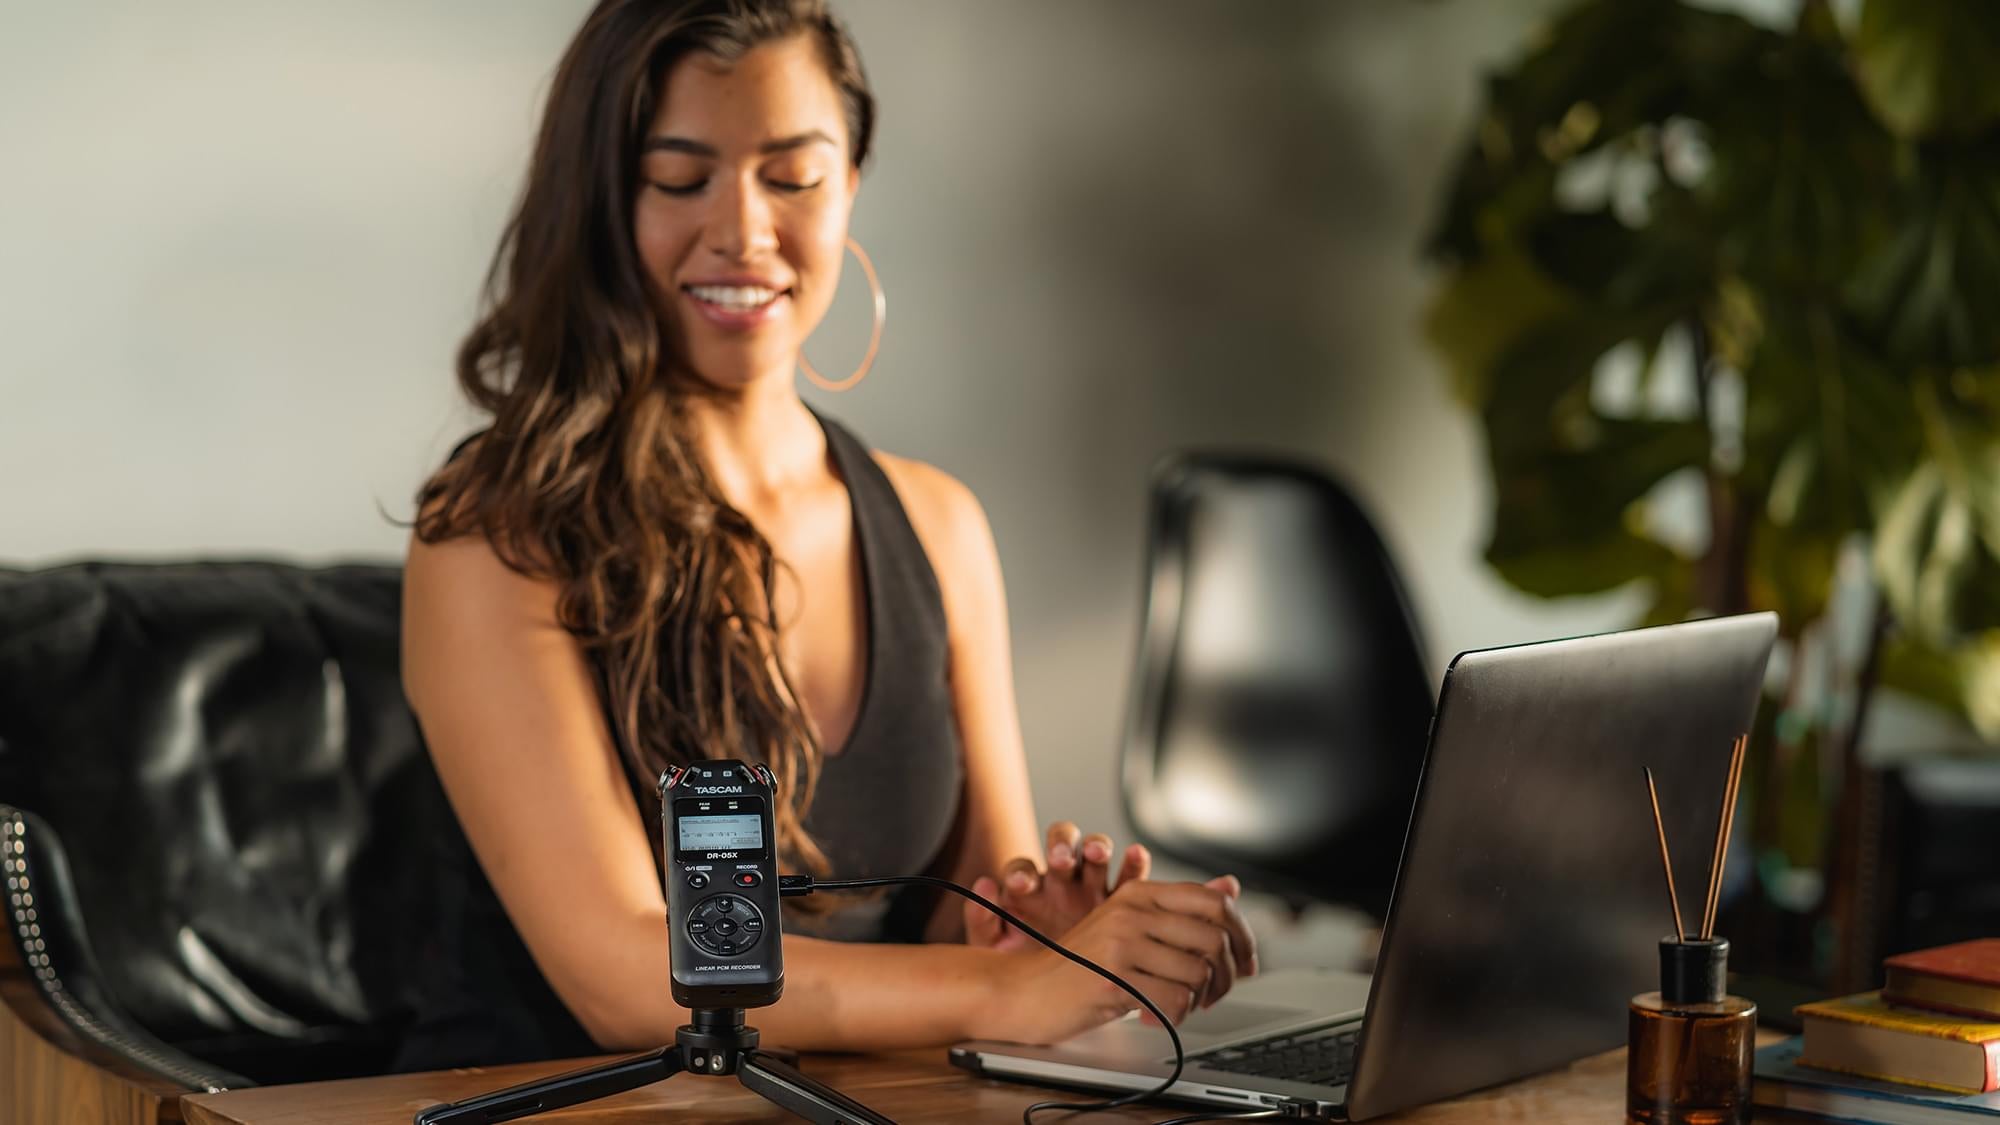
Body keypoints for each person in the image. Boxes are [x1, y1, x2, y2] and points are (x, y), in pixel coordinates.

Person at [395, 0, 1256, 1070]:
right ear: (600, 202)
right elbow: (628, 977)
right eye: (678, 178)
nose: (744, 232)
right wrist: (1009, 983)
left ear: (849, 184)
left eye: (793, 176)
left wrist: (1047, 933)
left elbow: (972, 927)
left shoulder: (937, 526)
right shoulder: (496, 534)